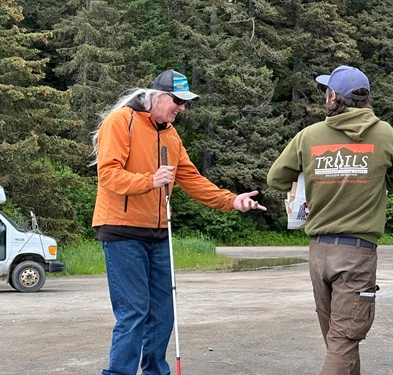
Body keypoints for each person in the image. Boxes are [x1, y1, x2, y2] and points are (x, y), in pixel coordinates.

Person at [91, 69, 267, 375]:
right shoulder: (121, 122)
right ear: (159, 97)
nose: (182, 109)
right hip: (121, 231)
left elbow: (191, 179)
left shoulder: (170, 135)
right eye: (178, 101)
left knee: (163, 312)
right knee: (133, 312)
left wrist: (231, 200)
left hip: (159, 234)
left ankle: (155, 371)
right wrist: (150, 180)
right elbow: (108, 174)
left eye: (185, 103)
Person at [267, 65, 393, 375]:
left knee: (339, 341)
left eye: (326, 92)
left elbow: (276, 178)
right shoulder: (384, 133)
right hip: (357, 254)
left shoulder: (310, 136)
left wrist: (313, 176)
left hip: (319, 253)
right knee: (343, 341)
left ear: (334, 97)